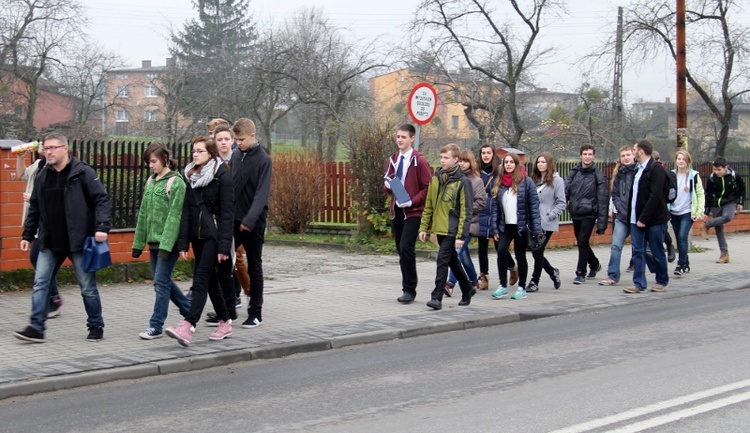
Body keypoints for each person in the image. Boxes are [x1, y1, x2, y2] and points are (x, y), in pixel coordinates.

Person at [14, 132, 111, 343]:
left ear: (65, 149)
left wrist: (102, 226)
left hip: (78, 241)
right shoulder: (42, 175)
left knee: (87, 287)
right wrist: (28, 235)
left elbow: (101, 199)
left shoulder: (82, 172)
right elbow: (36, 207)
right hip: (50, 240)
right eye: (46, 148)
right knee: (40, 283)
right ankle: (36, 327)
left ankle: (96, 324)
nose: (48, 152)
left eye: (52, 148)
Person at [166, 137, 235, 346]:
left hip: (214, 237)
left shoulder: (222, 176)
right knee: (211, 282)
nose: (195, 155)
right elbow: (186, 212)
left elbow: (228, 214)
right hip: (197, 237)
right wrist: (183, 243)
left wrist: (224, 245)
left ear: (210, 153)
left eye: (199, 151)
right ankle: (225, 322)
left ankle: (188, 325)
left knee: (201, 280)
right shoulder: (191, 176)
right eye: (194, 151)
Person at [132, 143, 191, 340]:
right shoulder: (151, 181)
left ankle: (156, 325)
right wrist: (138, 244)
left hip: (169, 244)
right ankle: (190, 312)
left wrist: (166, 246)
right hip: (154, 243)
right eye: (148, 162)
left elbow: (175, 216)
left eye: (153, 161)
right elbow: (143, 214)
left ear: (164, 159)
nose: (150, 165)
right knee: (162, 281)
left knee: (160, 282)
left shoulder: (176, 183)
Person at [418, 143, 475, 310]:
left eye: (446, 158)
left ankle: (436, 297)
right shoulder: (436, 179)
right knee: (453, 262)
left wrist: (461, 236)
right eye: (441, 157)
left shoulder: (462, 182)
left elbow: (466, 210)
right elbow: (429, 205)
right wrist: (423, 227)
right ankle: (467, 289)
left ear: (455, 159)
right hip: (439, 228)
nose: (442, 160)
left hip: (452, 229)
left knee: (442, 260)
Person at [230, 118, 272, 328]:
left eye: (242, 139)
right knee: (224, 262)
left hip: (254, 222)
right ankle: (228, 309)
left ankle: (255, 312)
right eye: (236, 139)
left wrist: (250, 219)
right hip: (234, 219)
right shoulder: (236, 156)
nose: (238, 143)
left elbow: (261, 195)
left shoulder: (263, 160)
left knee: (254, 266)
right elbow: (231, 187)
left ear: (253, 136)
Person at [384, 124, 432, 303]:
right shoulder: (393, 159)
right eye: (397, 136)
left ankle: (409, 289)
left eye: (403, 137)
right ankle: (407, 285)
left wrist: (412, 201)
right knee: (401, 250)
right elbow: (387, 181)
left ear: (412, 138)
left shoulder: (419, 160)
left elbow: (428, 187)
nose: (399, 140)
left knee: (406, 247)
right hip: (397, 211)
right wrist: (388, 186)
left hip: (413, 212)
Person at [16, 141, 64, 317]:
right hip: (36, 220)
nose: (46, 149)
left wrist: (35, 197)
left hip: (49, 222)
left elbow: (56, 194)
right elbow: (21, 175)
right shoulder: (38, 165)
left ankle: (52, 300)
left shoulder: (59, 168)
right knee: (37, 260)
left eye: (50, 146)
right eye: (44, 145)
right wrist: (20, 157)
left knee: (38, 260)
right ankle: (53, 299)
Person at [490, 152, 544, 300]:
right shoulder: (499, 182)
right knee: (501, 251)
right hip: (505, 226)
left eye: (511, 162)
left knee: (520, 256)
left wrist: (536, 229)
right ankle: (502, 286)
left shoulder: (526, 182)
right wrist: (494, 228)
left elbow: (534, 207)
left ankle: (521, 287)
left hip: (521, 226)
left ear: (516, 165)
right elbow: (494, 208)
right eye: (506, 162)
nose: (508, 165)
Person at [624, 140, 670, 294]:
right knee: (637, 251)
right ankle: (639, 284)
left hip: (654, 220)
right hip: (635, 219)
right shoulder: (638, 169)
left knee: (657, 250)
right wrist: (632, 216)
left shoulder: (656, 169)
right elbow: (635, 196)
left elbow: (655, 196)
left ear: (641, 151)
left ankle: (662, 281)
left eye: (634, 149)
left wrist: (644, 218)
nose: (633, 151)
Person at [475, 144, 518, 291]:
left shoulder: (499, 170)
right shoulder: (477, 171)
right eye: (483, 153)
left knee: (499, 244)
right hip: (481, 209)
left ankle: (512, 267)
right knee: (482, 244)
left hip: (495, 209)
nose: (485, 155)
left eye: (488, 153)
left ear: (493, 155)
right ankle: (484, 277)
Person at [445, 149, 487, 296]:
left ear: (471, 163)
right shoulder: (455, 179)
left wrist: (465, 208)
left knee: (456, 252)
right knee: (463, 256)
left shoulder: (477, 181)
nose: (462, 164)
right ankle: (474, 281)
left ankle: (449, 284)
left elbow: (481, 203)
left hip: (469, 224)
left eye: (465, 161)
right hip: (454, 223)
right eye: (460, 161)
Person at [565, 144, 608, 284]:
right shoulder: (574, 172)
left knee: (583, 240)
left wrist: (602, 223)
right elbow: (565, 190)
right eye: (585, 154)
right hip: (576, 211)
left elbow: (602, 199)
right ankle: (594, 264)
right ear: (580, 155)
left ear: (593, 156)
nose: (587, 157)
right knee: (581, 241)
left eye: (590, 154)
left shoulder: (598, 175)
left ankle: (580, 272)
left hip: (590, 212)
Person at [529, 152, 566, 292]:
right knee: (535, 251)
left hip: (546, 222)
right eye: (538, 162)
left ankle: (534, 281)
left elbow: (562, 202)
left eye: (543, 162)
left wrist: (550, 215)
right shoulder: (533, 180)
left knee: (538, 251)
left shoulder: (557, 180)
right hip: (533, 221)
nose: (540, 164)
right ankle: (552, 272)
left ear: (549, 163)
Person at [600, 145, 636, 286]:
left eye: (628, 155)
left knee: (642, 248)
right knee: (616, 245)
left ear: (633, 155)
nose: (626, 158)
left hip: (637, 217)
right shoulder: (618, 174)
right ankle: (613, 275)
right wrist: (621, 209)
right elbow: (615, 195)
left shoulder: (640, 172)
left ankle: (650, 272)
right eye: (623, 156)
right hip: (621, 216)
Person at [700, 156, 745, 264]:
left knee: (728, 217)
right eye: (715, 170)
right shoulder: (712, 178)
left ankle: (706, 225)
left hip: (730, 202)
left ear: (726, 168)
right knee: (719, 230)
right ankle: (724, 254)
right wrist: (706, 211)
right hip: (716, 205)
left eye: (719, 170)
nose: (717, 172)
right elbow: (709, 195)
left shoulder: (734, 175)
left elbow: (742, 188)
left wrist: (740, 202)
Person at [670, 150, 705, 275]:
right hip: (673, 212)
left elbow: (700, 194)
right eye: (679, 159)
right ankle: (686, 262)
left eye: (683, 159)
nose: (681, 161)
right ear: (676, 161)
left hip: (687, 212)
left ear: (688, 161)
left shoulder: (693, 176)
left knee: (682, 236)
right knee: (679, 240)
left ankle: (680, 265)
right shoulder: (671, 175)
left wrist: (699, 212)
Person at [651, 150, 676, 263]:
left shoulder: (664, 173)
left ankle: (669, 245)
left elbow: (670, 191)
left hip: (660, 207)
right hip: (645, 207)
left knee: (662, 230)